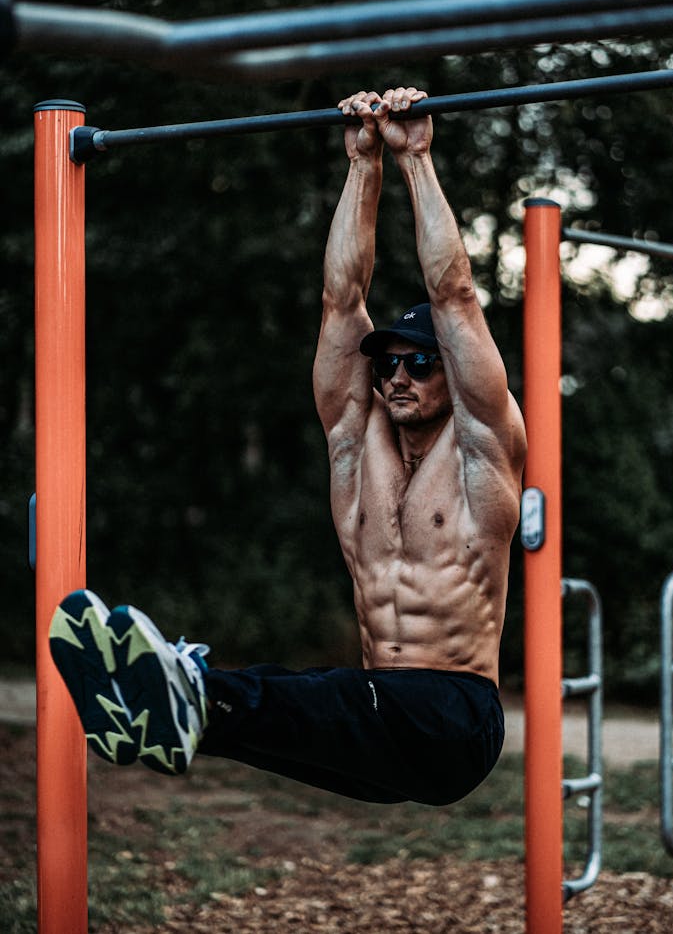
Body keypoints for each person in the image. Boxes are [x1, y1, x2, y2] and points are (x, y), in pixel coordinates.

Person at [49, 86, 526, 806]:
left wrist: (415, 159)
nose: (398, 374)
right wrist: (362, 165)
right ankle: (166, 714)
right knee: (292, 692)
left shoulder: (481, 451)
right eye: (388, 361)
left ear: (452, 377)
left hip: (454, 721)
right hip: (380, 720)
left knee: (316, 693)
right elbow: (341, 300)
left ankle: (194, 689)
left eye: (420, 362)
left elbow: (454, 294)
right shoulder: (354, 445)